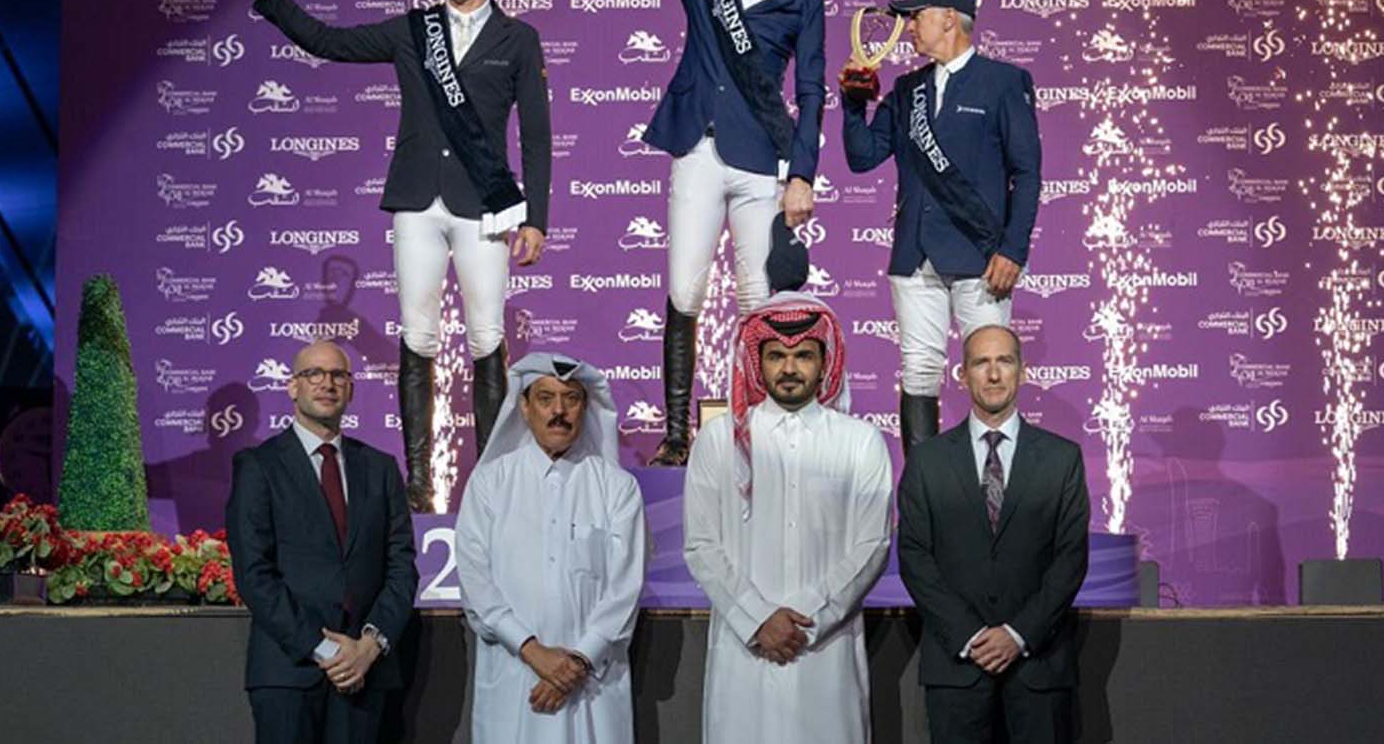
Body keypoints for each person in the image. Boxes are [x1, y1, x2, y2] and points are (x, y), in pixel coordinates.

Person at [228, 0, 553, 509]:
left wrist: (536, 219)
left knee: (486, 337)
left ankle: (490, 481)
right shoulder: (413, 30)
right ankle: (421, 483)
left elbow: (536, 136)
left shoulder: (518, 38)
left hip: (485, 202)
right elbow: (328, 41)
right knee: (419, 337)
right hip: (416, 201)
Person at [570, 0, 829, 465]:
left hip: (762, 161)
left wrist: (803, 174)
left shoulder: (804, 1)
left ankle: (760, 435)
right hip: (700, 151)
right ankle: (680, 437)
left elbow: (817, 91)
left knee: (757, 301)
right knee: (683, 290)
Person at [840, 0, 1042, 454]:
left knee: (991, 371)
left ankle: (992, 492)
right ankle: (924, 497)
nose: (909, 26)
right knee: (919, 371)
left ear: (949, 19)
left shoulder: (1005, 82)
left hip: (983, 258)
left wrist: (1013, 249)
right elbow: (862, 156)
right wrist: (852, 103)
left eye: (917, 15)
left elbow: (1027, 174)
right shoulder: (908, 89)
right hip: (915, 256)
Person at [682, 293, 892, 744]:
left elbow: (871, 545)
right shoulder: (719, 442)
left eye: (803, 356)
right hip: (745, 651)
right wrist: (758, 619)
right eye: (776, 355)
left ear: (825, 362)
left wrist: (807, 617)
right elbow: (702, 545)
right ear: (758, 363)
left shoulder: (860, 442)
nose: (790, 368)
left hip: (825, 651)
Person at [896, 325, 1090, 743]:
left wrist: (1018, 634)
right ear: (962, 375)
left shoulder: (1063, 459)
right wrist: (970, 635)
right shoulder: (927, 461)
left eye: (1005, 361)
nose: (994, 374)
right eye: (982, 363)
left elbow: (1070, 558)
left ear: (1022, 371)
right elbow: (914, 557)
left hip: (1038, 668)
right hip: (956, 667)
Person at [225, 340, 418, 743]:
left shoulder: (380, 468)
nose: (326, 383)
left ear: (349, 389)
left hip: (366, 675)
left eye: (337, 375)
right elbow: (254, 573)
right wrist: (322, 649)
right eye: (313, 373)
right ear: (293, 387)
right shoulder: (259, 466)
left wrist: (369, 646)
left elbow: (401, 567)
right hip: (287, 673)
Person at [455, 353, 647, 744]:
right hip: (516, 678)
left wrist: (578, 661)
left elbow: (625, 588)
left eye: (571, 399)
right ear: (523, 407)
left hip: (592, 682)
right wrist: (531, 651)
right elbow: (476, 581)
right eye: (545, 399)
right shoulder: (490, 483)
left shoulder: (617, 487)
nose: (559, 411)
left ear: (585, 407)